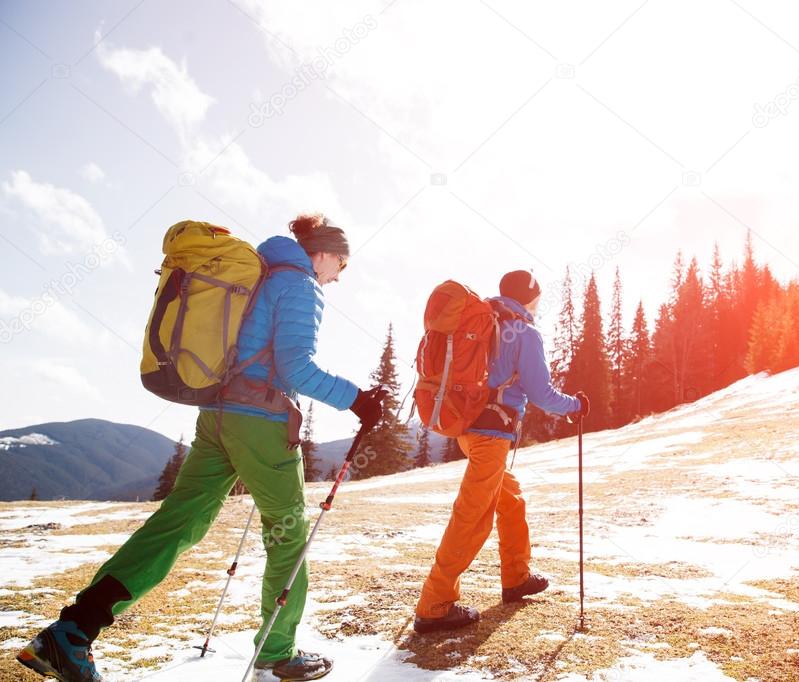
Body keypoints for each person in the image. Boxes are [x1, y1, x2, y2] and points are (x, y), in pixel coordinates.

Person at [17, 214, 386, 682]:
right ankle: (277, 653)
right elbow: (296, 369)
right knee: (287, 534)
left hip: (217, 415)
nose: (339, 275)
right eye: (342, 262)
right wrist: (358, 400)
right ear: (323, 252)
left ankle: (74, 630)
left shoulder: (258, 273)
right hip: (261, 422)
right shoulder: (300, 284)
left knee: (178, 523)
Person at [413, 270, 590, 634]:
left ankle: (517, 577)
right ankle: (434, 605)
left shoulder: (487, 322)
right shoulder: (523, 331)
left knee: (510, 502)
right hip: (491, 434)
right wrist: (576, 406)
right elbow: (541, 394)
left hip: (468, 428)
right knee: (472, 517)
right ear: (530, 297)